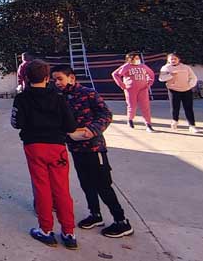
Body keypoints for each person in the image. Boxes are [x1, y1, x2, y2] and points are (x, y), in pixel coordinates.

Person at [52, 65, 134, 238]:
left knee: (103, 185)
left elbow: (106, 114)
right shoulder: (59, 97)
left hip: (94, 148)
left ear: (72, 78)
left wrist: (92, 129)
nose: (57, 82)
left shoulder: (88, 93)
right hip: (75, 147)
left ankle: (122, 221)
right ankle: (95, 215)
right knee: (86, 183)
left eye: (60, 78)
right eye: (54, 79)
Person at [11, 59, 79, 249]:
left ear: (25, 77)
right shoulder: (59, 97)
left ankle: (46, 230)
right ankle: (68, 232)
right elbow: (70, 125)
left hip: (34, 146)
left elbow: (16, 122)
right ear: (47, 77)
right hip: (57, 147)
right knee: (62, 189)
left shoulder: (22, 98)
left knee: (41, 188)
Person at [111, 52, 156, 132]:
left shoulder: (143, 66)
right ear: (129, 59)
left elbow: (151, 74)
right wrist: (122, 85)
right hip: (130, 89)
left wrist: (149, 83)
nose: (137, 60)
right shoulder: (126, 66)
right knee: (132, 106)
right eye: (135, 58)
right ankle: (130, 119)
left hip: (143, 89)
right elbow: (115, 74)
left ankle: (148, 124)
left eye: (138, 58)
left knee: (145, 106)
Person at [159, 53, 200, 133]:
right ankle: (175, 121)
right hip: (173, 90)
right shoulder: (165, 68)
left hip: (186, 90)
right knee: (175, 108)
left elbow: (193, 77)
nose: (173, 60)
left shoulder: (186, 67)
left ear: (179, 59)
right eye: (171, 59)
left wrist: (190, 85)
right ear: (168, 60)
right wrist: (171, 75)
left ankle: (192, 126)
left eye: (175, 59)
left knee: (188, 108)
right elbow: (161, 78)